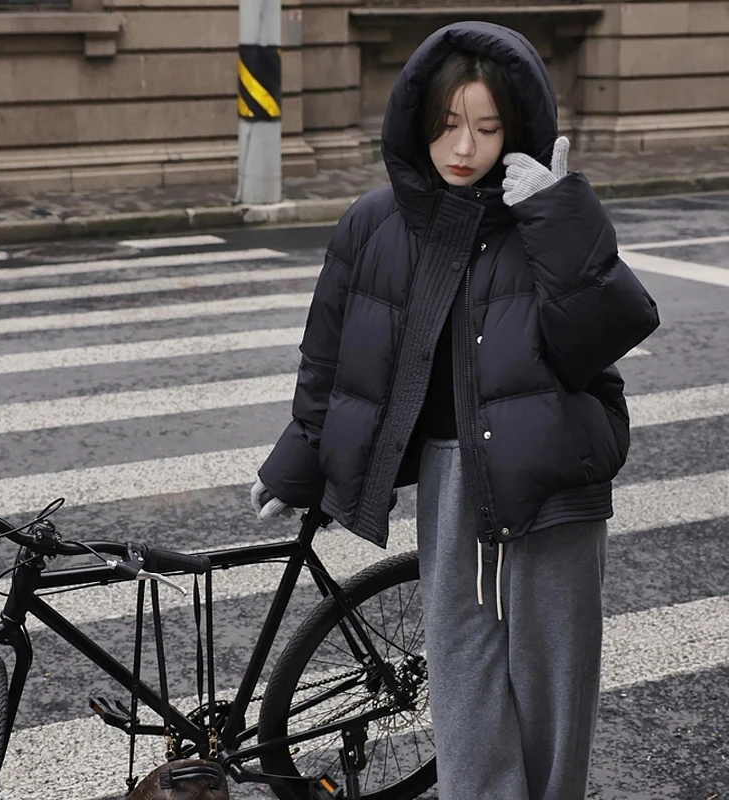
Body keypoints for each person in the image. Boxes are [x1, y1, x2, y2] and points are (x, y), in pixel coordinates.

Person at [250, 20, 659, 800]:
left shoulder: (544, 215)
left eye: (487, 127)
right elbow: (333, 359)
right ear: (418, 121)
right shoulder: (375, 223)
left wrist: (560, 217)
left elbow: (605, 335)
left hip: (550, 480)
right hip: (450, 481)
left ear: (516, 129)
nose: (464, 147)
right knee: (463, 681)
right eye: (447, 124)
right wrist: (300, 462)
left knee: (552, 690)